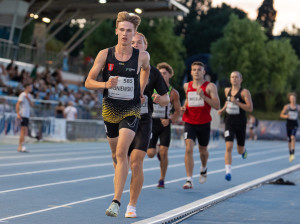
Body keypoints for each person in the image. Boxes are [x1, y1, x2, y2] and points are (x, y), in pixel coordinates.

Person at [84, 11, 150, 217]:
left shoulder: (142, 56)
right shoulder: (105, 54)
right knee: (115, 155)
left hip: (131, 110)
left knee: (122, 152)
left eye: (129, 31)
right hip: (110, 109)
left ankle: (116, 201)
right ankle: (120, 176)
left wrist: (141, 87)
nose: (124, 34)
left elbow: (146, 70)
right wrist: (105, 84)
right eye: (121, 30)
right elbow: (88, 82)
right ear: (116, 31)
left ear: (134, 33)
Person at [125, 32, 170, 218]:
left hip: (143, 121)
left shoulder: (153, 72)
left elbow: (166, 98)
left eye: (140, 43)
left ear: (146, 47)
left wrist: (161, 99)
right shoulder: (119, 67)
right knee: (121, 161)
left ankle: (131, 206)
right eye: (133, 42)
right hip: (122, 120)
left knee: (136, 163)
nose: (135, 45)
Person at [181, 61, 220, 189]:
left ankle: (203, 168)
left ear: (204, 72)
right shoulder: (187, 86)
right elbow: (188, 101)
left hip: (204, 123)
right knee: (188, 148)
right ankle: (189, 180)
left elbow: (217, 105)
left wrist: (204, 97)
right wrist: (183, 107)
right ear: (191, 72)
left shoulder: (210, 87)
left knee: (203, 151)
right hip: (189, 122)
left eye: (199, 69)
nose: (196, 72)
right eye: (194, 69)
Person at [147, 62, 181, 189]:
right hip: (151, 123)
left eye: (165, 73)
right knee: (150, 153)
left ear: (170, 75)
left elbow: (177, 110)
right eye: (160, 73)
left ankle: (161, 179)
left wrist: (170, 119)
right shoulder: (150, 89)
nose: (162, 75)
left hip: (165, 124)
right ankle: (155, 149)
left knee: (164, 152)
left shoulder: (173, 93)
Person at [218, 71, 253, 181]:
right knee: (228, 147)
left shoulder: (244, 92)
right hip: (229, 121)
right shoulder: (226, 90)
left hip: (240, 122)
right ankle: (228, 171)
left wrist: (237, 102)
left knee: (239, 150)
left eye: (236, 77)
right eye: (232, 77)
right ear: (230, 79)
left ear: (241, 79)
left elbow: (250, 108)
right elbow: (228, 102)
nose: (234, 79)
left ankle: (244, 151)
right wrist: (222, 110)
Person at [280, 92, 300, 162]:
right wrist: (286, 116)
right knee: (289, 140)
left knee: (293, 137)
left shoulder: (298, 107)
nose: (293, 100)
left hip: (295, 124)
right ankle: (290, 153)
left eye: (294, 98)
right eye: (291, 98)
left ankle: (293, 153)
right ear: (289, 99)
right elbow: (281, 115)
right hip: (288, 125)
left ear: (295, 99)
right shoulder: (287, 107)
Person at [16, 83, 34, 152]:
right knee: (23, 130)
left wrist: (28, 98)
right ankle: (21, 146)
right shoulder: (22, 95)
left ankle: (20, 146)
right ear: (27, 87)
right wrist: (18, 114)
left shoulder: (29, 95)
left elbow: (32, 105)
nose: (31, 88)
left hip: (27, 115)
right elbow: (17, 104)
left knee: (24, 131)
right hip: (23, 114)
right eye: (30, 87)